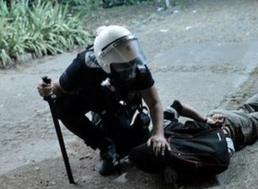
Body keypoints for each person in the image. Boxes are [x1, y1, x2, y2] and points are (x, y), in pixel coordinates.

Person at [37, 25, 169, 176]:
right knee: (60, 105)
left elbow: (154, 103)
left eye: (132, 60)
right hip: (96, 101)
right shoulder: (82, 65)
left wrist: (158, 133)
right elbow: (59, 89)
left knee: (130, 148)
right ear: (106, 62)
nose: (131, 67)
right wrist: (47, 89)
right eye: (123, 65)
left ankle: (119, 132)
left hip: (122, 107)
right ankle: (104, 146)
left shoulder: (139, 67)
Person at [131, 83, 258, 183]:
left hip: (230, 131)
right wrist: (205, 120)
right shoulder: (159, 129)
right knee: (245, 110)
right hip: (216, 116)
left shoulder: (178, 159)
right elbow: (179, 106)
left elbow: (220, 160)